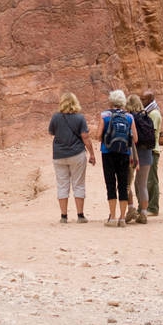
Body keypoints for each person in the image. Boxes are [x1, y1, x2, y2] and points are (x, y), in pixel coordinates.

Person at [48, 92, 96, 224]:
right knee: (78, 184)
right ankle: (80, 215)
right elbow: (85, 137)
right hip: (77, 154)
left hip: (59, 155)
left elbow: (51, 132)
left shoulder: (55, 117)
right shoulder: (80, 118)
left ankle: (63, 216)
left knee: (62, 185)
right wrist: (92, 154)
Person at [96, 89, 138, 227]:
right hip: (124, 153)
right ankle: (122, 218)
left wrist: (105, 139)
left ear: (111, 101)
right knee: (123, 184)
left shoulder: (105, 115)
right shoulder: (129, 117)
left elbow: (98, 135)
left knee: (110, 184)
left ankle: (113, 217)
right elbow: (135, 138)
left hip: (107, 152)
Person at [124, 94, 152, 224]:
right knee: (142, 185)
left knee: (126, 184)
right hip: (146, 153)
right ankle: (144, 213)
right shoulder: (146, 116)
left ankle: (130, 208)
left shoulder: (129, 118)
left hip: (132, 154)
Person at [143, 90, 163, 216]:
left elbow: (151, 132)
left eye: (144, 99)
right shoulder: (148, 112)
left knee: (152, 180)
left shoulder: (154, 114)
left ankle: (153, 207)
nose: (142, 101)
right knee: (147, 180)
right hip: (148, 149)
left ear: (150, 99)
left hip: (152, 150)